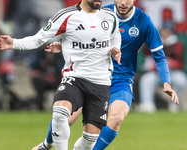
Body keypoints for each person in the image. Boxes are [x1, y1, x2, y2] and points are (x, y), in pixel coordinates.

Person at [32, 0, 179, 150]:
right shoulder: (100, 13)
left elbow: (159, 56)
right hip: (91, 75)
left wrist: (166, 82)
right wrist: (63, 44)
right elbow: (77, 34)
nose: (122, 3)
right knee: (66, 118)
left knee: (116, 119)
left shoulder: (144, 21)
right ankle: (47, 144)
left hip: (121, 80)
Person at [0, 0, 121, 150]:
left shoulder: (110, 16)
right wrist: (14, 43)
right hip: (75, 77)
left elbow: (115, 37)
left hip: (100, 82)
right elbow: (38, 39)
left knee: (89, 140)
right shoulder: (66, 16)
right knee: (60, 112)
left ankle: (51, 145)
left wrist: (115, 49)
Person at [138, 22, 186, 113]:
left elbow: (179, 62)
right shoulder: (153, 41)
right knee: (146, 79)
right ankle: (147, 104)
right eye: (163, 30)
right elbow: (147, 57)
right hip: (156, 73)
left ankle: (174, 105)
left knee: (181, 80)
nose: (165, 33)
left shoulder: (177, 43)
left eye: (167, 31)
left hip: (172, 73)